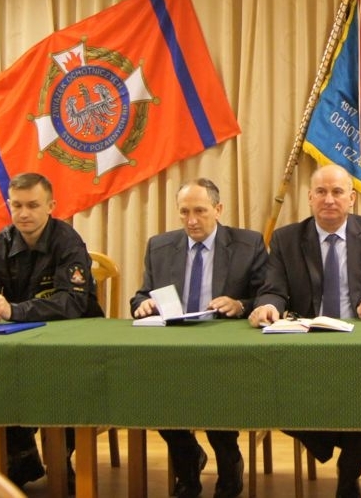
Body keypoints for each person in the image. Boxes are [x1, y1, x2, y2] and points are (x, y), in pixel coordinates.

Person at [248, 163, 361, 498]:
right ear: (309, 197)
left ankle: (348, 473)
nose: (329, 199)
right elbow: (273, 289)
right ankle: (356, 447)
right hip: (308, 347)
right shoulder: (287, 238)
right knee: (267, 394)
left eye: (337, 192)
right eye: (321, 192)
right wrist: (267, 306)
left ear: (352, 198)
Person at [0, 172, 104, 492]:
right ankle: (22, 458)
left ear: (51, 206)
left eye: (33, 205)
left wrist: (13, 310)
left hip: (70, 341)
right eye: (17, 205)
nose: (24, 213)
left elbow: (73, 301)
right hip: (17, 343)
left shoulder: (68, 241)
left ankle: (61, 460)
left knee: (62, 384)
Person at [130, 178, 268, 498]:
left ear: (218, 210)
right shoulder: (160, 246)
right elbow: (141, 295)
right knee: (154, 393)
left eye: (200, 211)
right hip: (173, 348)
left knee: (215, 394)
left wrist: (240, 305)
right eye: (184, 212)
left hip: (224, 349)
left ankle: (229, 465)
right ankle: (188, 467)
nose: (191, 220)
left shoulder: (248, 244)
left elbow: (267, 295)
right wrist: (143, 305)